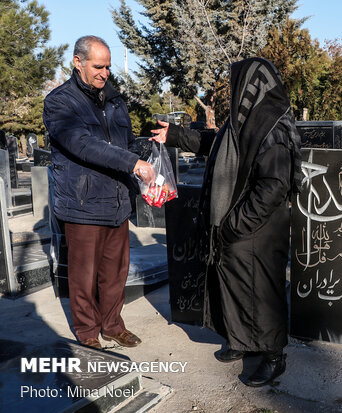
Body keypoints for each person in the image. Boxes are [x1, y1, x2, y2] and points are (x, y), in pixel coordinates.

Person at [151, 57, 301, 387]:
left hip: (256, 229)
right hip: (234, 224)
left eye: (236, 84)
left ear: (251, 87)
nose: (231, 91)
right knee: (233, 289)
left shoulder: (271, 128)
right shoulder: (244, 122)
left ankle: (273, 356)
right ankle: (242, 341)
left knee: (260, 293)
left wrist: (236, 224)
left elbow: (273, 186)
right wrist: (174, 135)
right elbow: (215, 144)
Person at [43, 35, 154, 350]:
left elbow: (127, 143)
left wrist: (149, 155)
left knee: (115, 273)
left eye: (108, 66)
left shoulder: (116, 100)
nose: (105, 73)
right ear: (78, 62)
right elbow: (82, 145)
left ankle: (113, 325)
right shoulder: (59, 102)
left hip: (118, 201)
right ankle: (88, 332)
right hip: (83, 204)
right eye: (98, 66)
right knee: (84, 275)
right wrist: (133, 162)